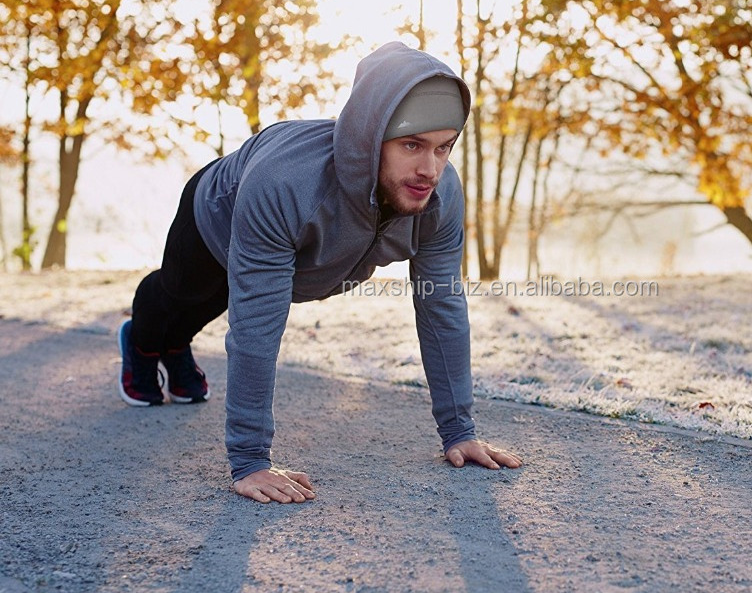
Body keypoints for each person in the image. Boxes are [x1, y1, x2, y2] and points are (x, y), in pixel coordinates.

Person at [118, 42, 522, 504]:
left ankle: (176, 347)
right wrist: (249, 460)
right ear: (372, 138)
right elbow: (256, 324)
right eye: (412, 145)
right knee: (187, 293)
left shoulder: (439, 197)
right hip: (217, 212)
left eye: (443, 148)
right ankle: (145, 342)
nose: (429, 169)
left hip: (291, 250)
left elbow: (442, 306)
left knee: (215, 300)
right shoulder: (286, 185)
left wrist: (459, 431)